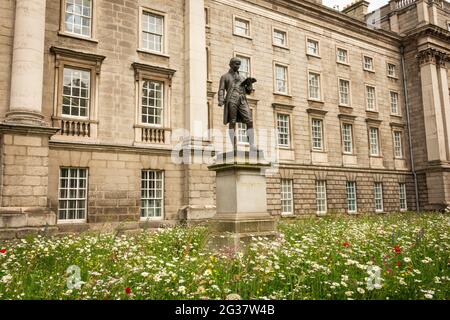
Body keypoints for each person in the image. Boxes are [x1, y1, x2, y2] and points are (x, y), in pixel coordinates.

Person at [218, 57, 257, 150]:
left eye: (239, 64)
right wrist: (220, 99)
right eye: (236, 64)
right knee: (232, 122)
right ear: (230, 64)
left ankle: (252, 145)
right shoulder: (225, 77)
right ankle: (234, 146)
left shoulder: (242, 77)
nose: (238, 66)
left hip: (242, 100)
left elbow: (248, 92)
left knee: (250, 121)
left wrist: (250, 84)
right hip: (232, 99)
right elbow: (221, 89)